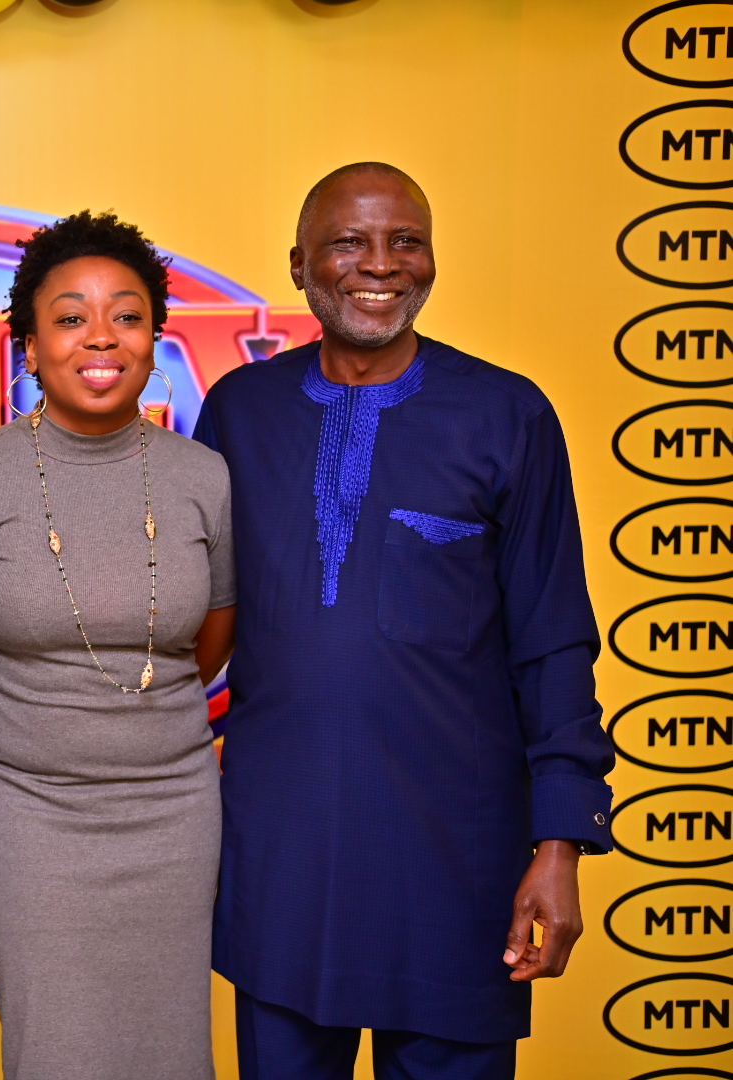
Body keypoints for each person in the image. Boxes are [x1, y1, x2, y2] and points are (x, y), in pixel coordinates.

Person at [191, 163, 614, 1079]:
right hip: (283, 855)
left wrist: (560, 843)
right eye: (349, 242)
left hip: (456, 860)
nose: (380, 264)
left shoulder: (507, 415)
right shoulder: (239, 412)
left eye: (406, 241)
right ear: (299, 264)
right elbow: (183, 612)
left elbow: (553, 643)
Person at [0, 210, 237, 1080]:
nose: (101, 336)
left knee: (172, 1051)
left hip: (175, 812)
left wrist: (133, 723)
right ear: (30, 348)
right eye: (71, 317)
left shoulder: (202, 477)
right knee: (55, 1051)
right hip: (28, 817)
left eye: (126, 315)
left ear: (154, 339)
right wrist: (5, 746)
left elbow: (210, 643)